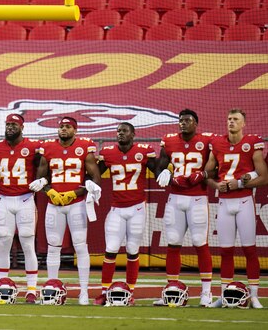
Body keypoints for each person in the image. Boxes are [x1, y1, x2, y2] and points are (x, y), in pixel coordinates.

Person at [34, 116, 102, 305]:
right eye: (61, 127)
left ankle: (84, 292)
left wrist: (74, 192)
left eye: (67, 127)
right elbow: (40, 179)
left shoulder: (84, 147)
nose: (63, 129)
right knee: (53, 246)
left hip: (76, 204)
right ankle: (52, 288)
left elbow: (96, 179)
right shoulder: (48, 147)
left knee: (80, 246)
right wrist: (50, 191)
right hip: (54, 204)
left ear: (75, 130)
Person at [204, 109, 268, 309]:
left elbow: (264, 177)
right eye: (229, 118)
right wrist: (216, 185)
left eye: (235, 119)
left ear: (243, 124)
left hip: (244, 202)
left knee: (250, 250)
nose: (231, 122)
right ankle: (225, 294)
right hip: (223, 202)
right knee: (225, 252)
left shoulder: (252, 143)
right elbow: (207, 173)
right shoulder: (217, 143)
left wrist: (239, 184)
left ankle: (255, 295)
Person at [152, 109, 214, 307]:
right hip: (175, 198)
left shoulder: (207, 140)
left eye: (187, 120)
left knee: (199, 242)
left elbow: (216, 165)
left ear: (196, 123)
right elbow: (160, 166)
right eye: (181, 120)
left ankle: (206, 292)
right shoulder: (169, 140)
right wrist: (164, 173)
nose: (183, 123)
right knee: (173, 242)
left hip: (197, 198)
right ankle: (172, 289)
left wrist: (203, 174)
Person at [94, 123, 157, 306]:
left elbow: (157, 168)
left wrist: (166, 172)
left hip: (137, 208)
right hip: (116, 208)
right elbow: (96, 174)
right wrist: (90, 184)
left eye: (124, 131)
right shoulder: (108, 153)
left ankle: (130, 291)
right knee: (111, 249)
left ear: (133, 134)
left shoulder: (143, 152)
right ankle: (105, 291)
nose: (120, 134)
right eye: (118, 131)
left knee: (132, 250)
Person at [0, 114, 41, 304]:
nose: (10, 127)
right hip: (4, 199)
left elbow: (45, 166)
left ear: (22, 127)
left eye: (14, 124)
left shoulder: (33, 147)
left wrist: (42, 180)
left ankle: (31, 289)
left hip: (25, 199)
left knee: (28, 244)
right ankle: (1, 285)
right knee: (3, 243)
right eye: (8, 124)